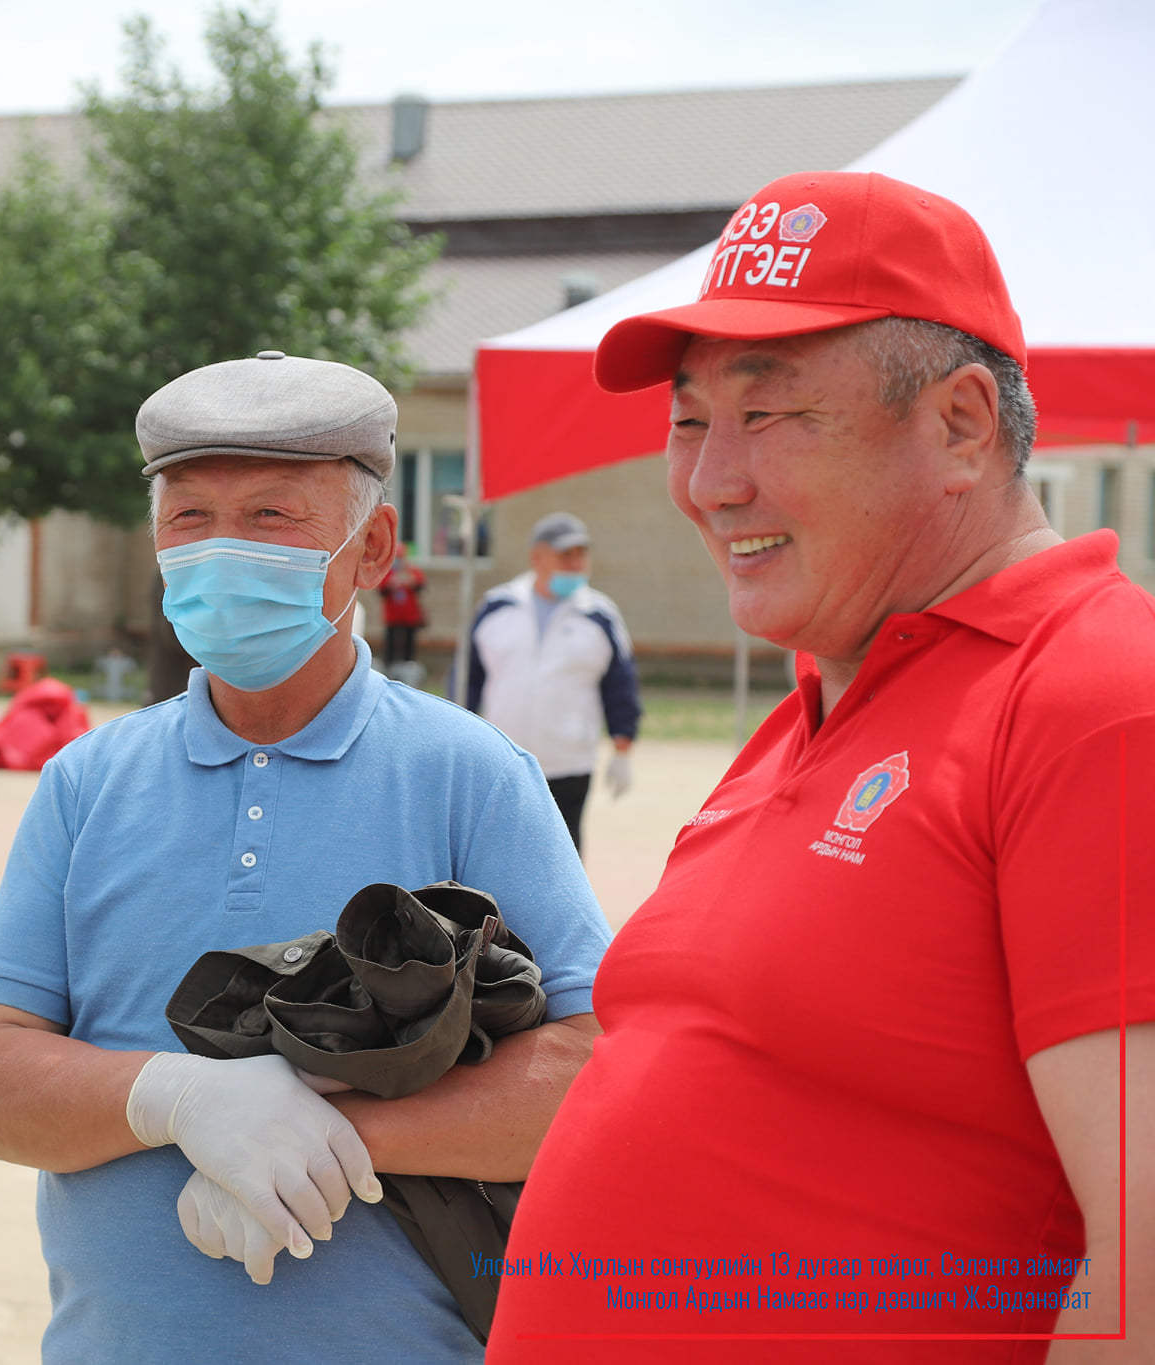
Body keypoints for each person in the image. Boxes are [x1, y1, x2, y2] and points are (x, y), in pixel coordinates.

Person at [489, 172, 1154, 1360]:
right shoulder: (824, 695)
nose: (708, 482)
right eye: (689, 420)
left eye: (772, 414)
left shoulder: (1096, 696)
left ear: (959, 425)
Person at [0, 350, 613, 1364]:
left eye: (269, 517)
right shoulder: (86, 782)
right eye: (189, 519)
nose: (221, 552)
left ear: (370, 545)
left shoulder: (466, 774)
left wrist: (313, 1135)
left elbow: (591, 1075)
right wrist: (178, 1102)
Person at [459, 513, 640, 851]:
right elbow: (468, 679)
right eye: (565, 554)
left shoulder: (599, 615)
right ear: (537, 557)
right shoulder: (497, 606)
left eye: (581, 554)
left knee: (562, 851)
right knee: (497, 851)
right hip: (502, 761)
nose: (576, 563)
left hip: (568, 763)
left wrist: (623, 747)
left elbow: (621, 685)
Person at [379, 549, 428, 666]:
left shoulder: (412, 571)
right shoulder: (388, 572)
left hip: (409, 615)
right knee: (391, 641)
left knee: (409, 642)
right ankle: (389, 664)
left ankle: (409, 663)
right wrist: (390, 585)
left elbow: (421, 585)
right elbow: (381, 590)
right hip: (392, 614)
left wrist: (411, 581)